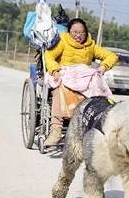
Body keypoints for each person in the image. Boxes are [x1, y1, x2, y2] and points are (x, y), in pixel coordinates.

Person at [44, 18, 118, 146]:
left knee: (98, 90)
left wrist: (103, 66)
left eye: (81, 32)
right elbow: (49, 56)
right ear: (69, 32)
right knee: (59, 88)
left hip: (84, 76)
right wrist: (55, 70)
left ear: (86, 32)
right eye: (75, 32)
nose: (78, 35)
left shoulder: (91, 45)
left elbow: (112, 56)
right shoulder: (62, 41)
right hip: (65, 73)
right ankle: (55, 130)